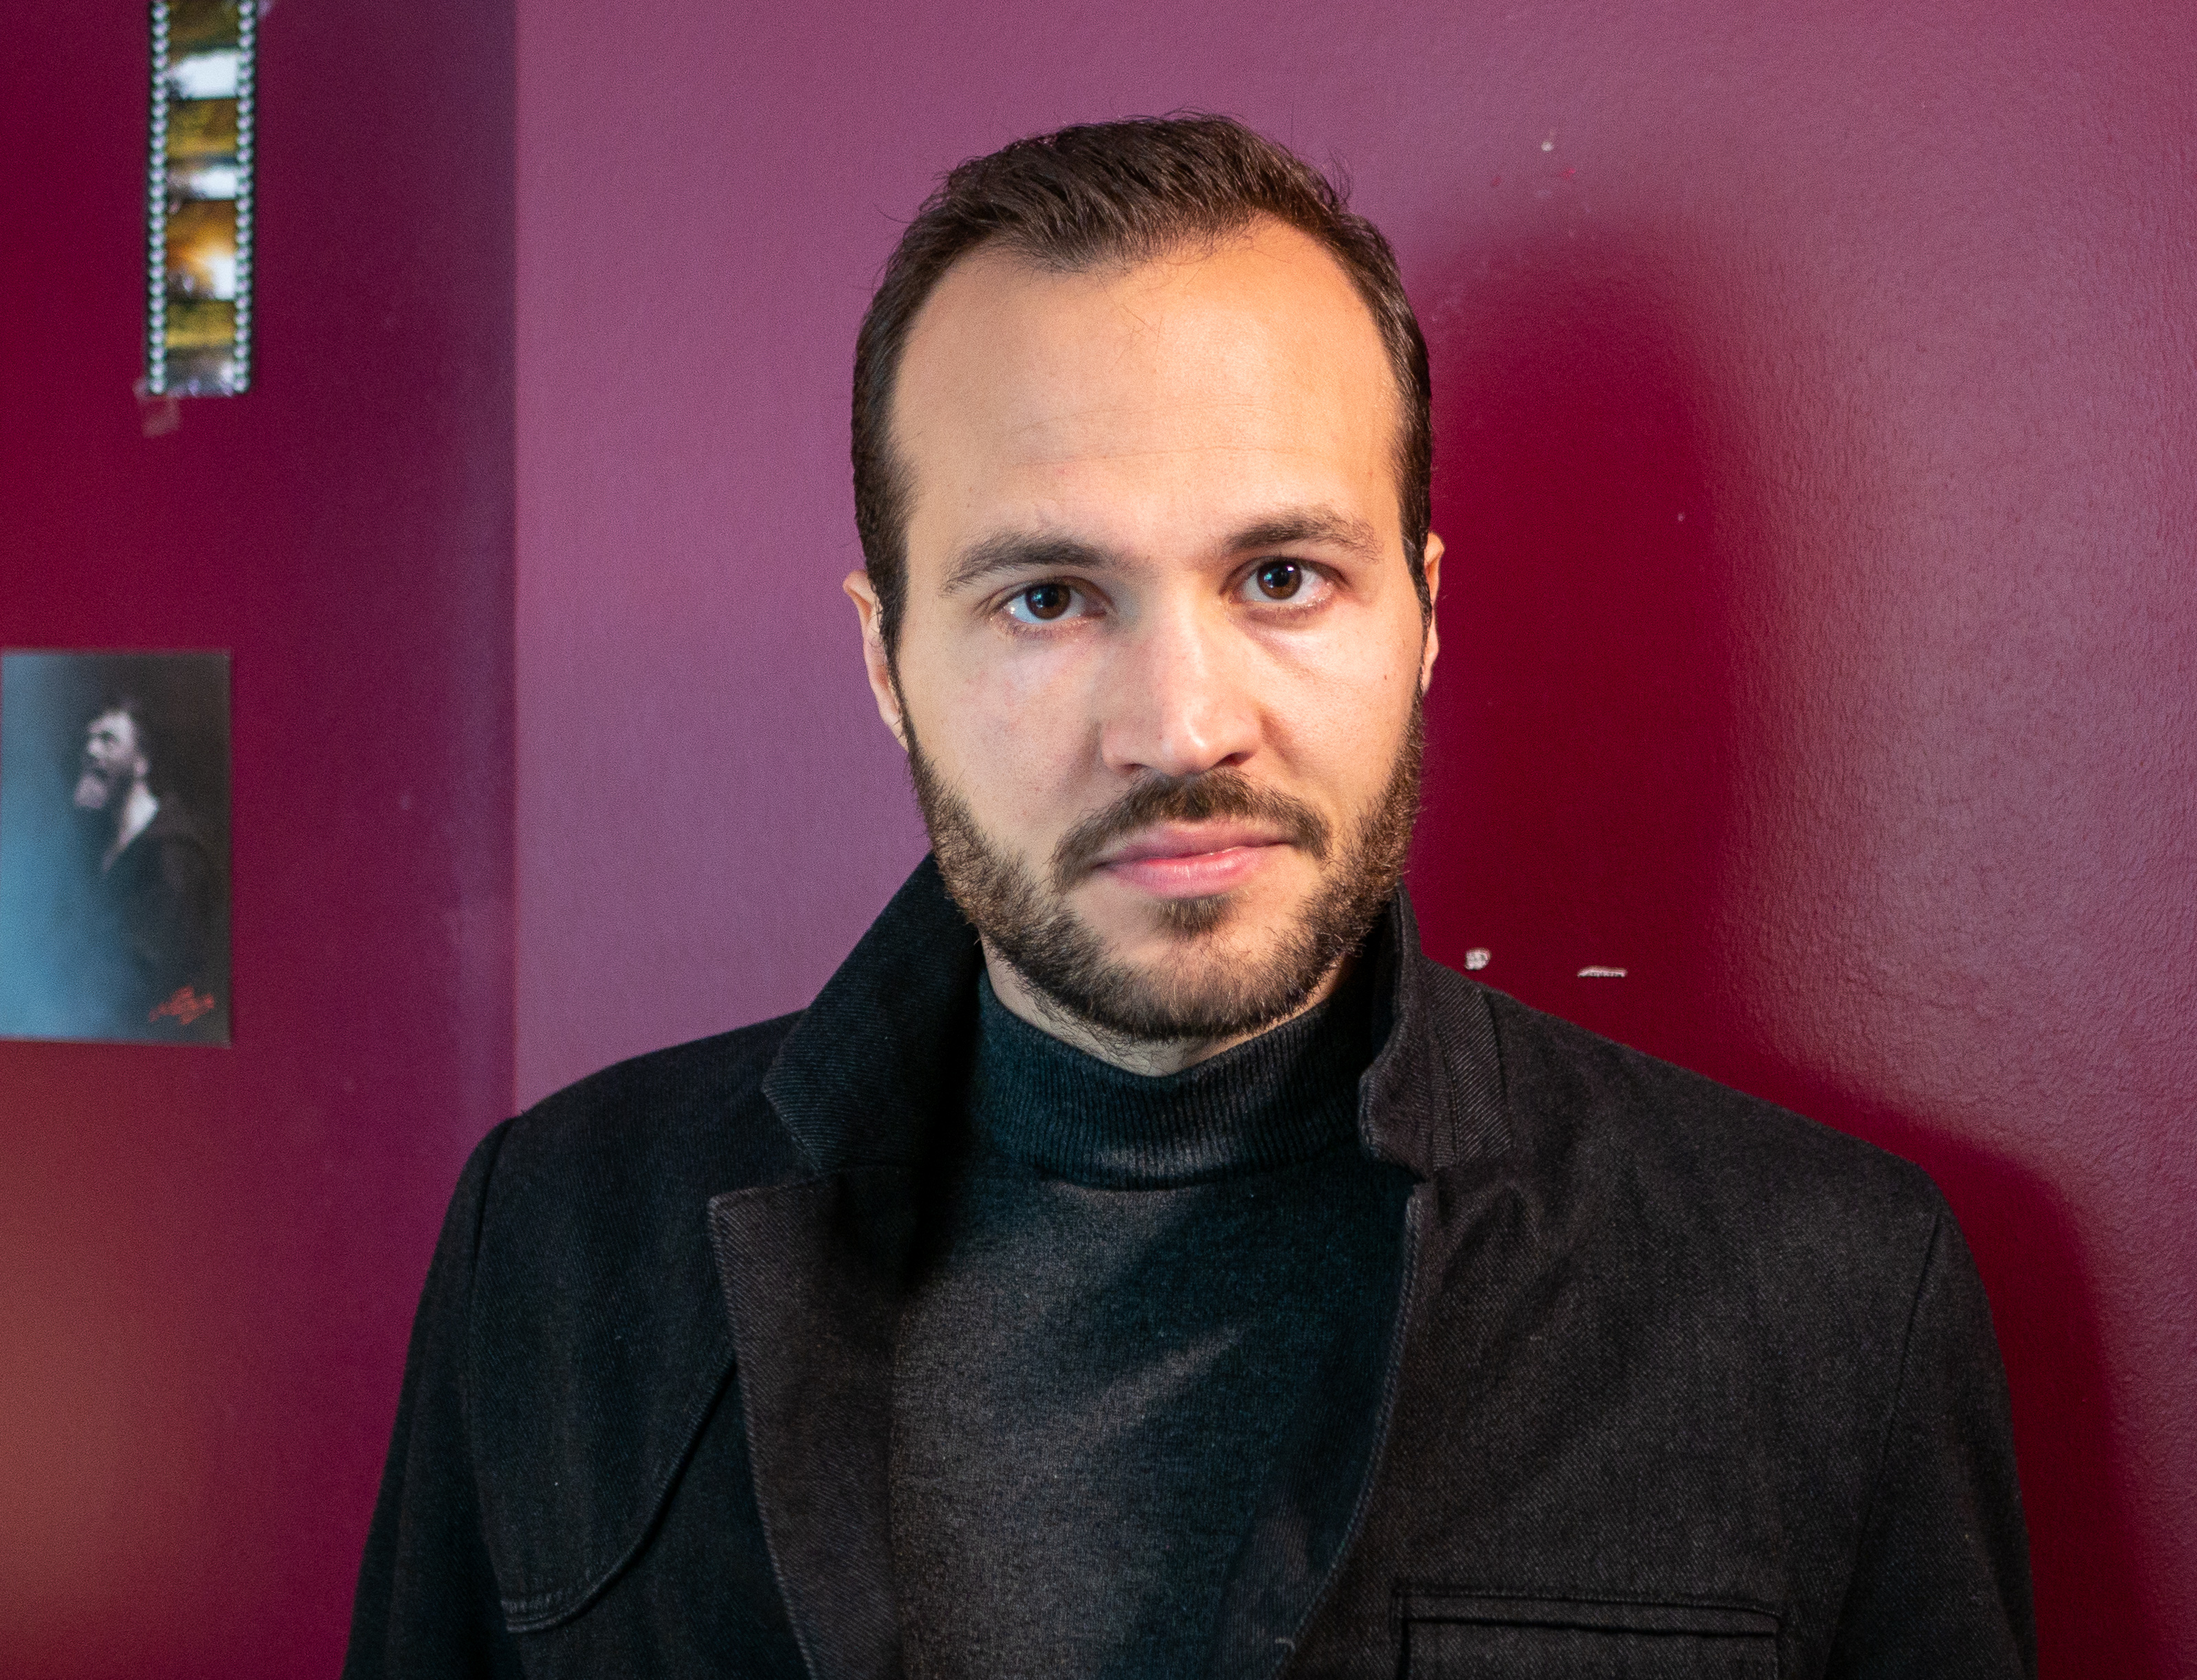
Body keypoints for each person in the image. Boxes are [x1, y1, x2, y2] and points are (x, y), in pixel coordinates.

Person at [346, 117, 2033, 1677]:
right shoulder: (557, 1246)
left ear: (1424, 617)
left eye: (1282, 577)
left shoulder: (1827, 1295)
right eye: (1048, 596)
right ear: (885, 659)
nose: (1181, 726)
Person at [70, 696, 219, 1026]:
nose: (91, 750)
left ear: (142, 763)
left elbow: (182, 991)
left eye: (108, 740)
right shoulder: (101, 842)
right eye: (89, 740)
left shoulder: (172, 852)